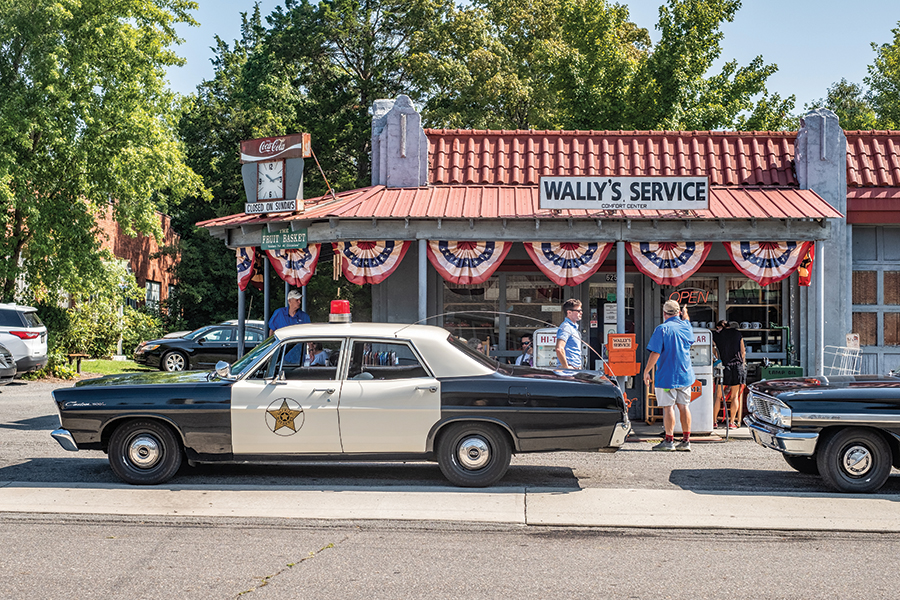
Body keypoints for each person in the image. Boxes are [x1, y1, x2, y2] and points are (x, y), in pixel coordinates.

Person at [643, 299, 695, 452]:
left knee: (668, 407)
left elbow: (655, 353)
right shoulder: (686, 326)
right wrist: (685, 314)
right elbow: (687, 320)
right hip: (685, 374)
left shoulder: (662, 329)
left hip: (667, 377)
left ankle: (669, 440)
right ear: (679, 312)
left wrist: (646, 371)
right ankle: (686, 441)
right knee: (684, 406)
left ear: (664, 313)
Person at [712, 320, 746, 429]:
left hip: (723, 366)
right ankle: (732, 422)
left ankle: (714, 421)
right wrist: (742, 364)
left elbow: (714, 352)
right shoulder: (737, 334)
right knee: (735, 396)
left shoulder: (716, 335)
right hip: (737, 366)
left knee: (718, 396)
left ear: (720, 327)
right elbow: (743, 351)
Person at [555, 299, 583, 369]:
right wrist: (566, 367)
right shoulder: (566, 327)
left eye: (581, 310)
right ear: (569, 312)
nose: (581, 313)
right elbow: (559, 349)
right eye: (578, 311)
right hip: (569, 370)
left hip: (575, 368)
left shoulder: (573, 327)